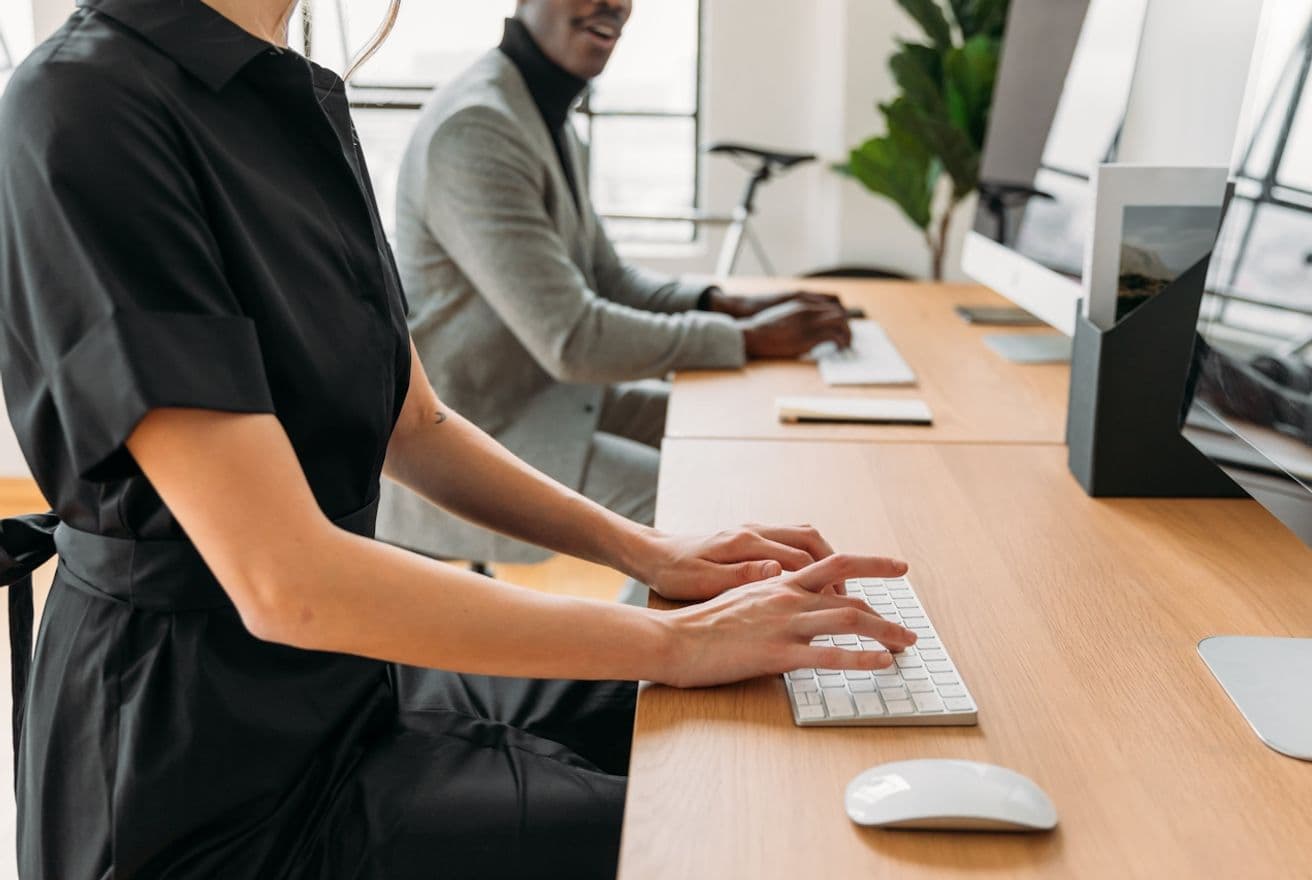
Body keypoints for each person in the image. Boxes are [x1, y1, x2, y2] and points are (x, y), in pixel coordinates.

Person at [0, 0, 913, 877]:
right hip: (200, 769)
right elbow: (287, 582)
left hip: (343, 687)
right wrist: (677, 642)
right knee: (717, 825)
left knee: (742, 717)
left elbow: (416, 422)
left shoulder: (289, 94)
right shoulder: (85, 106)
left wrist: (652, 553)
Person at [377, 0, 852, 571]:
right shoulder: (477, 127)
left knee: (727, 450)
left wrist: (725, 304)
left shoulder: (540, 114)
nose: (615, 4)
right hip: (479, 432)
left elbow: (609, 279)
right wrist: (746, 338)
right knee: (696, 512)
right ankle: (628, 663)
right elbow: (574, 339)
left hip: (546, 401)